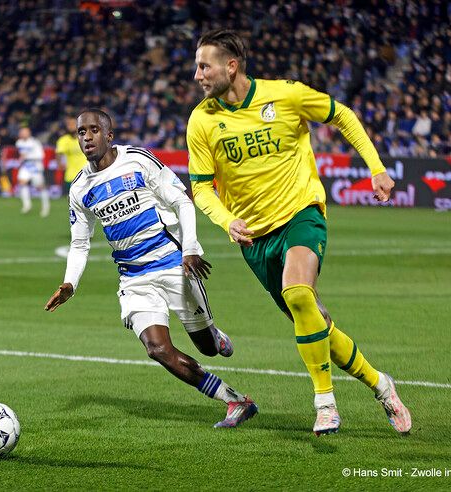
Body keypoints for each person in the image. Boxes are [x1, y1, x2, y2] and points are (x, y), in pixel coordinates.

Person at [186, 29, 412, 436]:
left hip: (301, 214)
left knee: (297, 292)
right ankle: (381, 384)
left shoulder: (285, 95)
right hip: (255, 238)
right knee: (312, 320)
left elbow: (341, 113)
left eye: (204, 65)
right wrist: (226, 220)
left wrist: (376, 168)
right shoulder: (202, 120)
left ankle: (325, 404)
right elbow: (201, 186)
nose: (197, 74)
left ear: (231, 66)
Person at [45, 109, 258, 428]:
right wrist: (69, 283)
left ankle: (214, 335)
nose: (86, 137)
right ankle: (236, 401)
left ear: (109, 135)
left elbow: (182, 201)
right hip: (134, 279)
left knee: (208, 349)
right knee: (157, 348)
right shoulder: (79, 190)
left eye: (93, 130)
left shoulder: (138, 160)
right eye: (81, 132)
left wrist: (189, 250)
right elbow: (80, 243)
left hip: (173, 265)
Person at [15, 126, 50, 217]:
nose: (22, 134)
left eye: (24, 132)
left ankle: (45, 207)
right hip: (26, 166)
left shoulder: (35, 143)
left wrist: (27, 157)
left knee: (40, 187)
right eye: (21, 132)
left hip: (35, 167)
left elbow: (41, 155)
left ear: (29, 133)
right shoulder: (19, 143)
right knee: (22, 182)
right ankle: (27, 205)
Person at [56, 116, 88, 195]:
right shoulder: (63, 140)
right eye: (68, 124)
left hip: (87, 174)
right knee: (73, 201)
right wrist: (60, 164)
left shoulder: (86, 138)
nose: (70, 126)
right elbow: (58, 153)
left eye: (73, 124)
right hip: (71, 175)